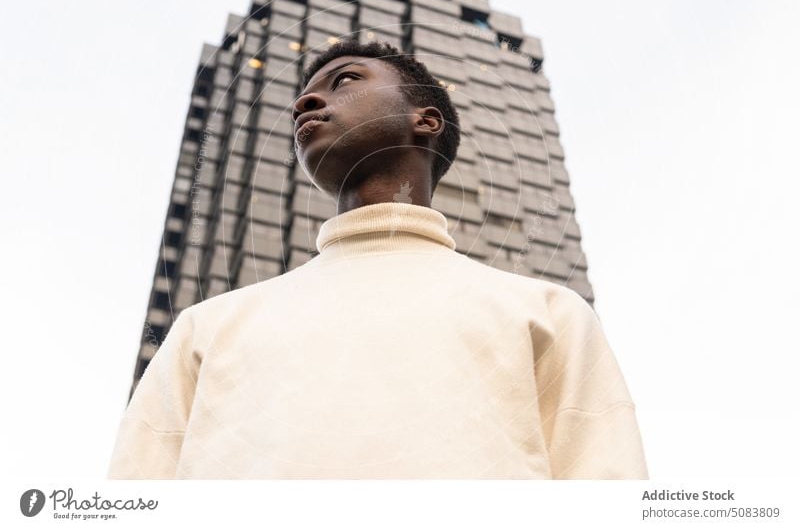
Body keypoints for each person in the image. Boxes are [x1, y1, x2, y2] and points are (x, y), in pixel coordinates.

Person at [107, 40, 648, 479]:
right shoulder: (206, 326)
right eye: (301, 96)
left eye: (344, 81)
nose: (304, 103)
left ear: (426, 121)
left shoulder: (548, 312)